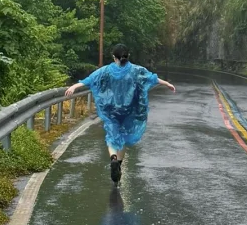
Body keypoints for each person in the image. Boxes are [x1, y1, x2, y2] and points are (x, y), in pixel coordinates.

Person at [65, 45, 176, 183]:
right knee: (123, 137)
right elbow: (151, 78)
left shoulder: (106, 70)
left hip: (112, 110)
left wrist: (74, 86)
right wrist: (167, 84)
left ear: (114, 57)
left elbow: (91, 79)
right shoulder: (136, 70)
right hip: (129, 111)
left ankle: (113, 158)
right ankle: (119, 164)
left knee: (112, 135)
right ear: (127, 56)